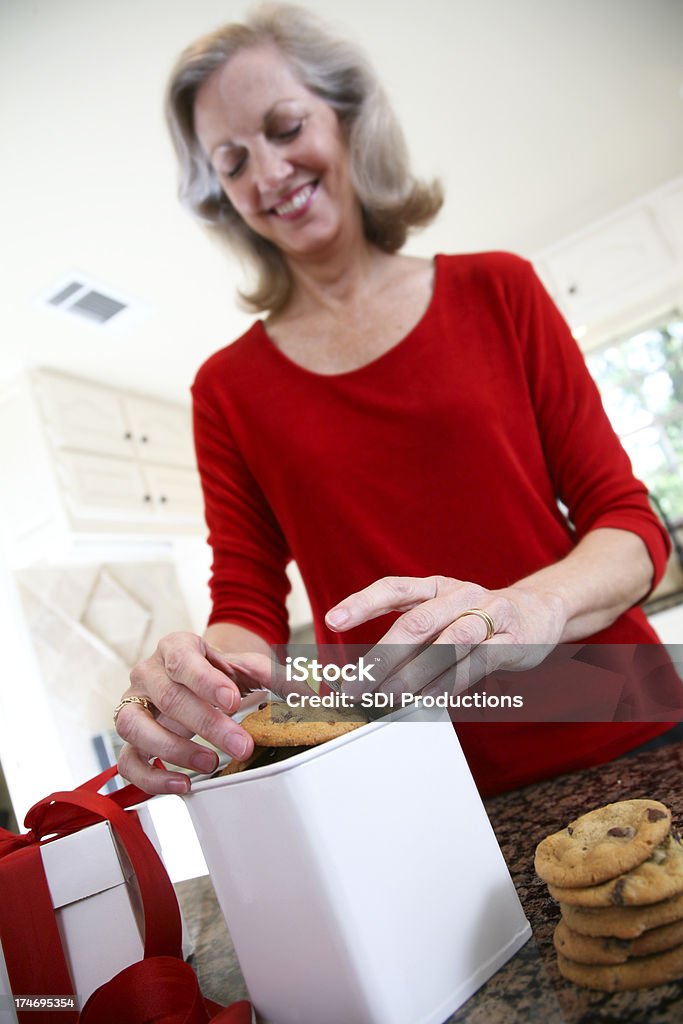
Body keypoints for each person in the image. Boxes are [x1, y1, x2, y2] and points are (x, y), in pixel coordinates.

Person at [116, 2, 677, 798]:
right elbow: (246, 599)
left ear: (345, 119)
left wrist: (527, 608)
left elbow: (625, 520)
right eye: (232, 161)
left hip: (627, 715)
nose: (268, 174)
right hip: (422, 774)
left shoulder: (498, 289)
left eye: (283, 128)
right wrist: (201, 683)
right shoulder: (226, 389)